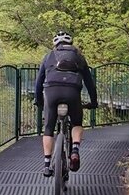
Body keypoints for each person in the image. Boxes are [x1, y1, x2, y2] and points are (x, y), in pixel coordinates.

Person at [34, 31, 98, 177]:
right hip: (72, 92)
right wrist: (93, 102)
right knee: (76, 123)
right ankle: (75, 149)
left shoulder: (48, 56)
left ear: (55, 44)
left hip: (51, 92)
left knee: (49, 128)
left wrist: (39, 100)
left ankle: (46, 164)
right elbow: (89, 83)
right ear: (70, 44)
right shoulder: (79, 57)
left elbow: (38, 82)